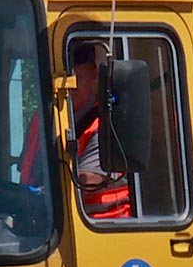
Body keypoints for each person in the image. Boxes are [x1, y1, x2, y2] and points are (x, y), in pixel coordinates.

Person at [19, 43, 130, 218]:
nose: (69, 87)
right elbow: (27, 172)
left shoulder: (107, 124)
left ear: (94, 74)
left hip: (101, 229)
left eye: (76, 78)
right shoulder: (40, 120)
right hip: (43, 224)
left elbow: (84, 183)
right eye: (63, 80)